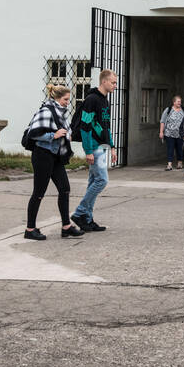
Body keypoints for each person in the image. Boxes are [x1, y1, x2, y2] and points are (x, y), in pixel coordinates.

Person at [22, 83, 83, 241]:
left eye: (68, 100)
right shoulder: (46, 111)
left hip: (55, 155)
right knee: (39, 192)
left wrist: (66, 134)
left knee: (65, 189)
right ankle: (30, 229)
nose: (67, 102)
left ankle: (66, 227)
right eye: (65, 99)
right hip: (42, 155)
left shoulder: (60, 112)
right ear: (56, 98)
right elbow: (32, 134)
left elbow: (66, 130)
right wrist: (53, 136)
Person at [71, 68, 117, 232]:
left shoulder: (105, 100)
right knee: (101, 181)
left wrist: (112, 146)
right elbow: (85, 127)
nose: (115, 86)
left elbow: (106, 126)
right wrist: (88, 150)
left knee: (93, 182)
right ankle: (80, 212)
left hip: (102, 147)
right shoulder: (92, 100)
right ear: (103, 81)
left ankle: (88, 220)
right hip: (94, 148)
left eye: (116, 83)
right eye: (113, 82)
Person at [159, 95, 184, 171]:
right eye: (178, 101)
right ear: (174, 102)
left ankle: (179, 163)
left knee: (179, 149)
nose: (180, 103)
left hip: (180, 134)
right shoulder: (168, 110)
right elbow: (162, 121)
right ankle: (169, 164)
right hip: (169, 133)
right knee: (170, 149)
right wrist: (161, 132)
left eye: (180, 101)